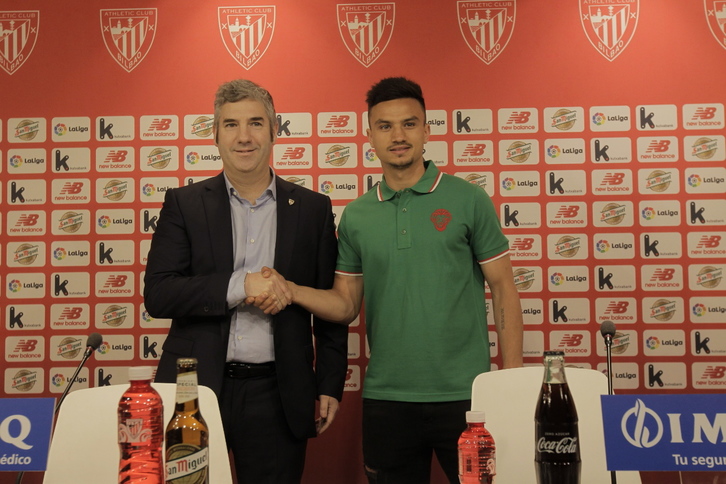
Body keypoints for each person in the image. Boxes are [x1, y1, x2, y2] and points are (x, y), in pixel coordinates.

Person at [253, 77, 524, 483]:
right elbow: (345, 305)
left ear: (427, 130)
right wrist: (291, 290)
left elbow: (503, 287)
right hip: (386, 399)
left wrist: (512, 381)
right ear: (370, 136)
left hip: (468, 397)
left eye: (409, 124)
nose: (398, 136)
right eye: (385, 126)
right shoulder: (358, 215)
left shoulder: (468, 199)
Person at [144, 79, 349, 483]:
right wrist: (241, 285)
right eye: (231, 124)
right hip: (193, 390)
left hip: (278, 393)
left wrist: (329, 384)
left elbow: (331, 304)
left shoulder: (312, 209)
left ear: (275, 130)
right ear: (214, 133)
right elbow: (159, 294)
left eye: (256, 123)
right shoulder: (183, 204)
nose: (244, 137)